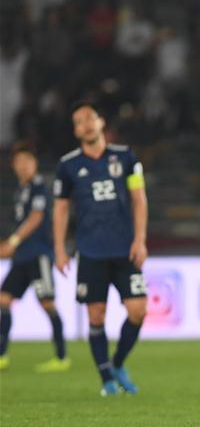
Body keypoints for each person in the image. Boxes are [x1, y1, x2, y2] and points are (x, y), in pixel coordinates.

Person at [53, 101, 149, 396]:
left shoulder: (126, 157)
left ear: (100, 121)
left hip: (125, 250)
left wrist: (140, 239)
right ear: (75, 131)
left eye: (89, 118)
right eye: (78, 121)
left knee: (138, 310)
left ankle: (118, 362)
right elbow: (60, 209)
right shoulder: (68, 165)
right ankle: (106, 378)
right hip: (91, 252)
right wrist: (59, 248)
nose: (85, 124)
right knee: (96, 316)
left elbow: (139, 199)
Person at [0, 142, 68, 372]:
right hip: (21, 257)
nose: (24, 166)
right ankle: (2, 355)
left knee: (47, 303)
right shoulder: (22, 190)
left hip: (38, 254)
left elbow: (37, 217)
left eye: (28, 161)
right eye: (20, 161)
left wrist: (13, 241)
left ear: (35, 164)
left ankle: (61, 357)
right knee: (3, 300)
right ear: (13, 165)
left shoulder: (39, 186)